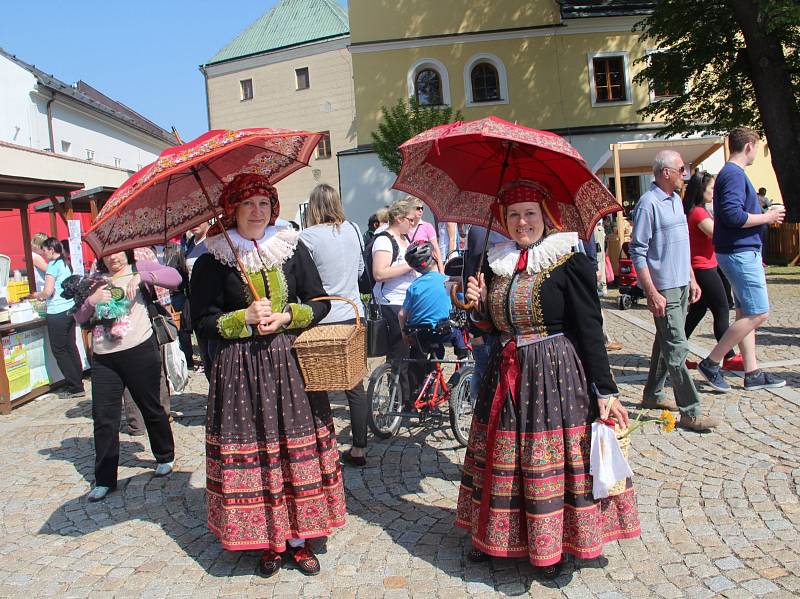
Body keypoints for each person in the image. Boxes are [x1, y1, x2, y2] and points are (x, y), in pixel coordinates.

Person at [458, 179, 639, 577]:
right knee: (502, 456)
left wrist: (605, 389)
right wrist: (474, 304)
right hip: (505, 373)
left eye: (530, 214)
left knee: (547, 460)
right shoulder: (495, 262)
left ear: (546, 217)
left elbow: (590, 326)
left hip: (554, 375)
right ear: (504, 221)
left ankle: (550, 544)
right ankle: (495, 536)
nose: (522, 222)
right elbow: (487, 327)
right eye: (514, 215)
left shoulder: (568, 259)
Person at [191, 173, 345, 578]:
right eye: (247, 205)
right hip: (239, 372)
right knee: (257, 451)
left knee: (293, 449)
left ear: (273, 208)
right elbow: (201, 321)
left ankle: (299, 538)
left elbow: (321, 302)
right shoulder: (212, 259)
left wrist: (288, 315)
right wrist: (242, 317)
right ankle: (266, 539)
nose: (257, 212)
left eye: (263, 203)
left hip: (288, 365)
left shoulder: (291, 248)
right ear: (233, 211)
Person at [73, 249, 180, 502]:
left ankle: (165, 455)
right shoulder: (95, 280)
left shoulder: (138, 267)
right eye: (108, 254)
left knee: (150, 405)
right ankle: (105, 479)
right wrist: (92, 300)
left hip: (139, 349)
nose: (114, 258)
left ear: (127, 251)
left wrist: (144, 276)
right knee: (104, 417)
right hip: (104, 357)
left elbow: (175, 278)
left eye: (118, 253)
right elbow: (78, 316)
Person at [629, 151, 718, 431]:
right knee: (677, 347)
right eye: (681, 169)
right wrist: (651, 291)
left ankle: (653, 395)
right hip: (663, 287)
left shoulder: (677, 202)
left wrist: (691, 277)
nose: (686, 174)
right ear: (665, 172)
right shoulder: (648, 204)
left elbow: (682, 245)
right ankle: (690, 411)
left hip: (680, 283)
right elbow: (637, 252)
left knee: (665, 341)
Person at [697, 128, 786, 391]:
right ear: (749, 146)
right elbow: (734, 216)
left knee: (746, 312)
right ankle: (712, 362)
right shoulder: (733, 175)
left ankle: (753, 372)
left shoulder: (730, 174)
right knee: (759, 312)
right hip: (739, 252)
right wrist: (767, 218)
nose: (756, 152)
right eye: (756, 147)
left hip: (738, 251)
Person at [300, 183, 369, 467]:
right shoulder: (353, 229)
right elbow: (361, 272)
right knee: (355, 384)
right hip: (353, 313)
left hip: (322, 317)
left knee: (315, 383)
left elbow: (305, 279)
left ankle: (321, 445)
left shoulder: (306, 237)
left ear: (312, 208)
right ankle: (360, 448)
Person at [682, 172, 743, 371]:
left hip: (706, 267)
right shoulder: (698, 213)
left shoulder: (699, 210)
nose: (715, 192)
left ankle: (676, 354)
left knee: (696, 313)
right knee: (722, 309)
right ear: (702, 190)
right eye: (712, 189)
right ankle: (729, 357)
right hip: (703, 269)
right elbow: (717, 234)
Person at [372, 198, 418, 408]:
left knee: (412, 353)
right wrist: (409, 266)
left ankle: (410, 396)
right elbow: (379, 273)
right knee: (399, 356)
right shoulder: (384, 240)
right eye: (410, 219)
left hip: (407, 301)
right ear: (399, 218)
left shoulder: (404, 237)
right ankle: (400, 402)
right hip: (391, 303)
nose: (413, 222)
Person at [398, 240, 461, 394]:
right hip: (441, 331)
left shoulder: (414, 286)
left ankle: (420, 390)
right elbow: (460, 299)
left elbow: (401, 314)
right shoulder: (447, 281)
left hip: (418, 333)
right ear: (434, 255)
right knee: (458, 335)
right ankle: (463, 359)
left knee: (423, 355)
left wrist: (404, 334)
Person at [29, 237, 85, 398]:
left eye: (45, 250)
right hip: (69, 309)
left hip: (57, 311)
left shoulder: (53, 266)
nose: (44, 254)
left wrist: (37, 295)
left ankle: (74, 386)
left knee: (59, 350)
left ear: (51, 250)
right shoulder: (64, 262)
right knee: (70, 346)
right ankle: (78, 381)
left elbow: (48, 291)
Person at [407, 199, 443, 272]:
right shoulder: (404, 227)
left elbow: (436, 249)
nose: (420, 210)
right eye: (417, 208)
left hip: (425, 267)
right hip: (408, 268)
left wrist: (441, 272)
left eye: (422, 208)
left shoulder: (427, 226)